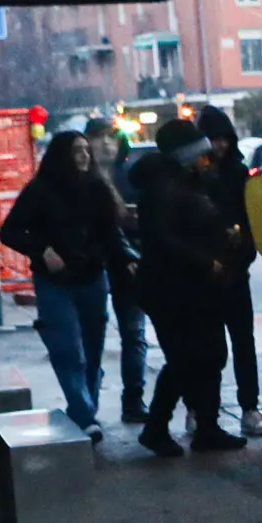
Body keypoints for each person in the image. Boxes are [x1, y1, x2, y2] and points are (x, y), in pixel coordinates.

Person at [0, 130, 125, 439]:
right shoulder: (41, 191)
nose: (84, 156)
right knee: (67, 348)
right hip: (55, 281)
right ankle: (82, 414)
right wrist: (42, 249)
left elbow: (110, 234)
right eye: (76, 151)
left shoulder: (97, 189)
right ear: (61, 156)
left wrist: (125, 261)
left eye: (86, 150)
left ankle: (86, 408)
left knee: (92, 349)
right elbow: (10, 231)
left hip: (93, 276)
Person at [132, 117, 241, 458]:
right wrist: (206, 261)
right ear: (185, 155)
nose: (207, 160)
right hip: (174, 289)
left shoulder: (188, 183)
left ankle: (207, 427)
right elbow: (164, 240)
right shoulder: (163, 189)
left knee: (208, 357)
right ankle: (157, 427)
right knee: (184, 359)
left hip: (198, 287)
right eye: (201, 154)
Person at [192, 103, 262, 439]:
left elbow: (252, 221)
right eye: (213, 139)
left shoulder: (239, 174)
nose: (219, 145)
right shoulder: (195, 178)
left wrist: (242, 257)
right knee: (209, 348)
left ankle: (248, 407)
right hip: (205, 274)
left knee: (242, 343)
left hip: (236, 272)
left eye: (223, 138)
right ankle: (202, 410)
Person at [103, 126, 153, 427]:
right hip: (97, 264)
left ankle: (133, 399)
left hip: (129, 264)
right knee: (94, 339)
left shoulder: (129, 176)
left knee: (134, 335)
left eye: (112, 140)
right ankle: (91, 404)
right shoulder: (83, 182)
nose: (105, 147)